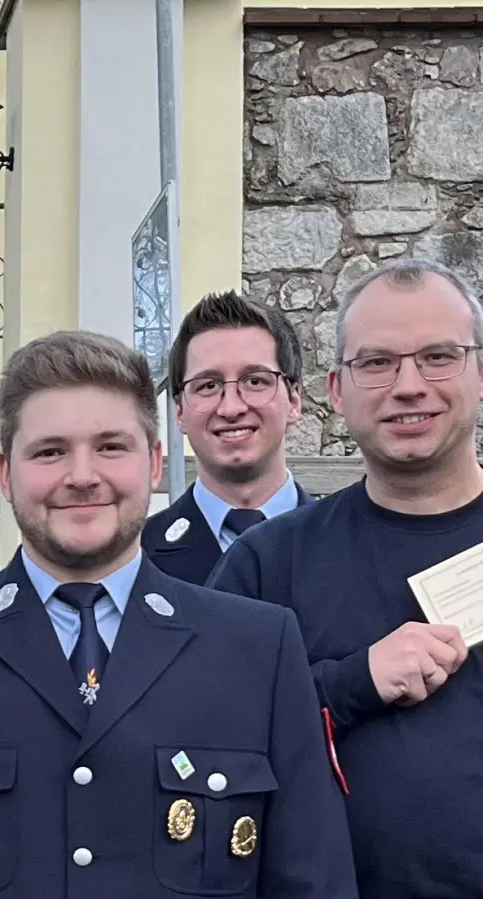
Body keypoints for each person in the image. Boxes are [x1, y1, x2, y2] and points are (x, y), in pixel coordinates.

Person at [0, 330, 356, 898]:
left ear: (154, 463)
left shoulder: (258, 650)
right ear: (6, 473)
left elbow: (313, 881)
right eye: (50, 451)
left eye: (111, 447)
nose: (81, 475)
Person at [209, 257, 483, 898]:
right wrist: (350, 683)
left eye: (438, 357)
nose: (409, 386)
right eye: (377, 362)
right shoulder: (265, 564)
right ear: (336, 390)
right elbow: (198, 738)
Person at [144, 291, 312, 584]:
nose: (231, 408)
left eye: (255, 381)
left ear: (294, 400)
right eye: (208, 386)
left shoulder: (356, 547)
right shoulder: (134, 559)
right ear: (179, 411)